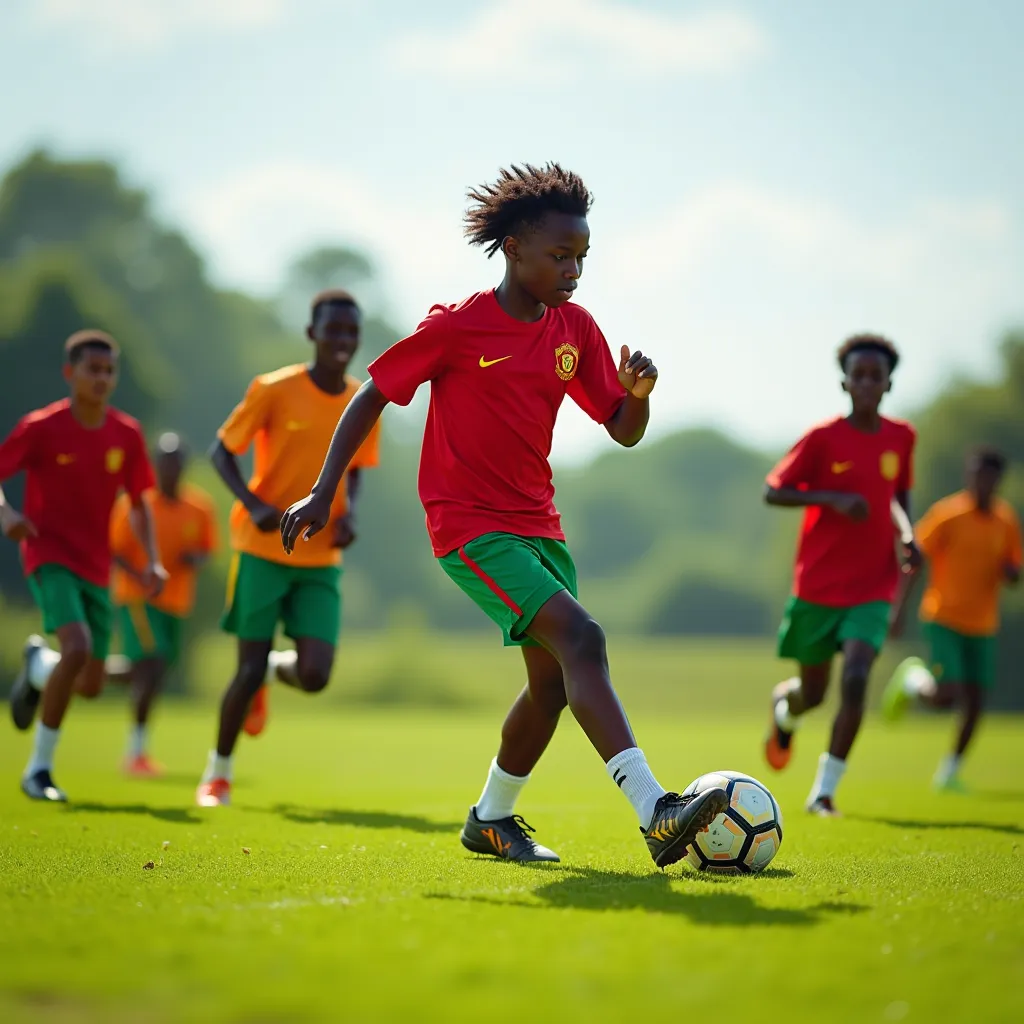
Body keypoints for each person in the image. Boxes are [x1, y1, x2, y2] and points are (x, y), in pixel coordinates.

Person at [281, 162, 729, 867]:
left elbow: (622, 428)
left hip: (541, 527)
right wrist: (322, 489)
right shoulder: (457, 327)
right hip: (469, 527)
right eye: (560, 255)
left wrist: (638, 395)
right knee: (583, 639)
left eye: (582, 257)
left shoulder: (575, 328)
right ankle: (656, 809)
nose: (573, 271)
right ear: (514, 248)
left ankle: (489, 819)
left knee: (550, 687)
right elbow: (370, 395)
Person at [195, 290, 380, 807]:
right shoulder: (273, 389)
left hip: (320, 557)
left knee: (316, 675)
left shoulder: (364, 399)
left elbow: (357, 469)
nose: (343, 340)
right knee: (246, 669)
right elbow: (221, 451)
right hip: (262, 548)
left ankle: (276, 672)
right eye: (333, 330)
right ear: (311, 333)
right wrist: (254, 504)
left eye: (351, 332)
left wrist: (349, 515)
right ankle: (218, 774)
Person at [0, 330, 164, 802]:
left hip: (96, 566)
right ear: (69, 373)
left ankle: (38, 669)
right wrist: (7, 515)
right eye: (93, 369)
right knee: (78, 647)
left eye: (109, 370)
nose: (102, 378)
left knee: (90, 683)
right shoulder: (41, 427)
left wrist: (152, 562)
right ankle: (38, 771)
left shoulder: (126, 434)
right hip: (48, 554)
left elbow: (140, 503)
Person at [762, 334, 919, 816]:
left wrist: (907, 534)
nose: (867, 383)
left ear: (889, 384)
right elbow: (774, 491)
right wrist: (832, 498)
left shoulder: (902, 437)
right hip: (818, 585)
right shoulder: (822, 438)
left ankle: (823, 793)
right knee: (812, 694)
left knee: (855, 678)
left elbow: (896, 496)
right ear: (844, 383)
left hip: (873, 585)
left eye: (876, 376)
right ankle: (785, 710)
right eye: (859, 375)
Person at [883, 448, 1021, 790]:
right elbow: (914, 559)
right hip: (943, 616)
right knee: (947, 695)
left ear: (998, 480)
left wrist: (1011, 573)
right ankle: (912, 680)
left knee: (975, 701)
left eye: (988, 476)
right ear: (969, 476)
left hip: (983, 624)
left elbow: (1014, 567)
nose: (982, 482)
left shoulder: (1005, 521)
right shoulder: (948, 514)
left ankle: (949, 773)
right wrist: (898, 609)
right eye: (976, 475)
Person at [108, 432, 217, 776]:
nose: (171, 468)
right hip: (139, 597)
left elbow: (207, 550)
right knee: (151, 665)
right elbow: (116, 551)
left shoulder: (199, 507)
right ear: (155, 464)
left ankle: (80, 670)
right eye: (165, 461)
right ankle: (135, 753)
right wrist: (141, 576)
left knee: (150, 671)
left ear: (184, 465)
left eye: (176, 462)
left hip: (175, 602)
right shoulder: (136, 504)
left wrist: (194, 559)